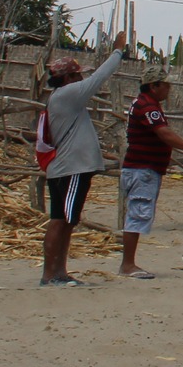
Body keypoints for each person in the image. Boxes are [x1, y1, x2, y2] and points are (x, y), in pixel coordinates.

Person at [40, 31, 125, 287]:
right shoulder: (67, 95)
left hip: (66, 168)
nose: (81, 79)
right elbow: (99, 77)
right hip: (71, 169)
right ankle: (50, 273)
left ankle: (59, 271)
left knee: (67, 220)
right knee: (61, 220)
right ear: (67, 78)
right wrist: (118, 51)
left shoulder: (61, 98)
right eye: (77, 75)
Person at [118, 70, 183, 279]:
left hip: (141, 167)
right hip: (142, 169)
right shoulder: (148, 106)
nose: (169, 90)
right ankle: (127, 265)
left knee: (137, 213)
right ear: (154, 86)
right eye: (166, 86)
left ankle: (128, 263)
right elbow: (164, 133)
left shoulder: (143, 103)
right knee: (137, 214)